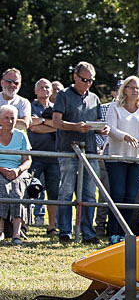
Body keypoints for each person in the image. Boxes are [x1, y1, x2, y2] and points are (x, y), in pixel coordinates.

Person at [52, 62, 108, 244]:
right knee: (66, 191)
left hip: (90, 150)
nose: (88, 83)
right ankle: (65, 232)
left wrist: (102, 129)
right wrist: (75, 127)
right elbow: (56, 122)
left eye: (91, 80)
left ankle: (88, 233)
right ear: (75, 77)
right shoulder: (63, 95)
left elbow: (98, 122)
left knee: (89, 194)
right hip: (68, 149)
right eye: (84, 80)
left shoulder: (94, 98)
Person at [104, 76, 139, 244]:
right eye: (131, 87)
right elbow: (110, 128)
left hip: (137, 158)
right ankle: (114, 232)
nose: (135, 90)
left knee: (131, 196)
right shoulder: (115, 107)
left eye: (138, 88)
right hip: (117, 157)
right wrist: (124, 136)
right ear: (124, 90)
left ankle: (125, 232)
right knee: (117, 194)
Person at [28, 79, 59, 232]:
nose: (45, 90)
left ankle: (52, 226)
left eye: (47, 87)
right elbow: (32, 126)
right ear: (35, 91)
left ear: (51, 91)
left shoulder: (56, 108)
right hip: (34, 156)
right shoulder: (30, 106)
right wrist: (51, 125)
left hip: (54, 158)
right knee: (29, 191)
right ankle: (23, 225)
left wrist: (42, 123)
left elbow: (61, 125)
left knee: (54, 194)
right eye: (41, 87)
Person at [0, 105, 31, 244]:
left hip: (18, 170)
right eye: (6, 118)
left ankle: (16, 233)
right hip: (0, 169)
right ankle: (0, 231)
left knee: (18, 189)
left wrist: (18, 171)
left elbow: (28, 160)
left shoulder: (21, 135)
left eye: (12, 118)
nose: (10, 121)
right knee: (2, 187)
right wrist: (2, 170)